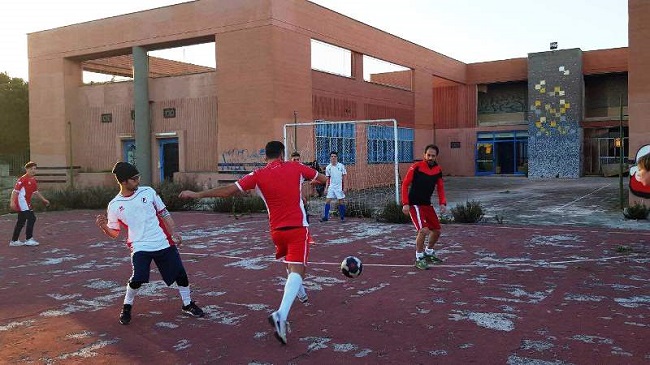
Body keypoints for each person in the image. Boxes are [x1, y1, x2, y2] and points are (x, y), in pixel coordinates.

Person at [179, 141, 328, 345]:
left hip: (276, 231)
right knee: (298, 270)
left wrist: (197, 194)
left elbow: (228, 191)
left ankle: (301, 294)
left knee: (293, 267)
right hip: (297, 228)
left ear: (265, 157)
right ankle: (281, 316)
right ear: (282, 154)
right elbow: (322, 179)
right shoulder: (295, 167)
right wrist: (310, 181)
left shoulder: (257, 175)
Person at [95, 162, 204, 325]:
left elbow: (164, 213)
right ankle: (127, 307)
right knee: (137, 279)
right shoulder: (115, 205)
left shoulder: (149, 192)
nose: (138, 180)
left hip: (162, 242)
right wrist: (104, 227)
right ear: (123, 182)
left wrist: (174, 231)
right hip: (139, 246)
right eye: (134, 178)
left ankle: (187, 304)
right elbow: (114, 233)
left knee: (180, 274)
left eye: (138, 177)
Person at [401, 144, 447, 270]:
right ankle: (419, 258)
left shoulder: (438, 170)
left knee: (436, 230)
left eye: (433, 156)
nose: (430, 157)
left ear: (436, 156)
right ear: (424, 155)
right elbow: (405, 184)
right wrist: (405, 203)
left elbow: (440, 187)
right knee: (423, 230)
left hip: (427, 204)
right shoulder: (416, 167)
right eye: (428, 155)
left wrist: (442, 202)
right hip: (414, 204)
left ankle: (428, 253)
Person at [9, 161, 49, 247]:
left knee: (21, 221)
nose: (33, 170)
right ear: (26, 169)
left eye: (35, 169)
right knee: (32, 218)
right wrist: (12, 202)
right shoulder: (22, 179)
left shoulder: (33, 180)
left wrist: (44, 199)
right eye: (31, 169)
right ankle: (29, 239)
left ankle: (14, 241)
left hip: (26, 202)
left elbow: (36, 192)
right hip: (21, 202)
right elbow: (15, 191)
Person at [321, 151, 347, 222]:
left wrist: (345, 187)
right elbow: (327, 179)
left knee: (341, 202)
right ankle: (326, 217)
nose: (333, 158)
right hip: (331, 187)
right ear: (330, 158)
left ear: (337, 157)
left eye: (334, 156)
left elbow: (344, 177)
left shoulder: (341, 166)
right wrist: (326, 188)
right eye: (332, 156)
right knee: (327, 201)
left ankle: (342, 218)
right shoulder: (328, 167)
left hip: (339, 187)